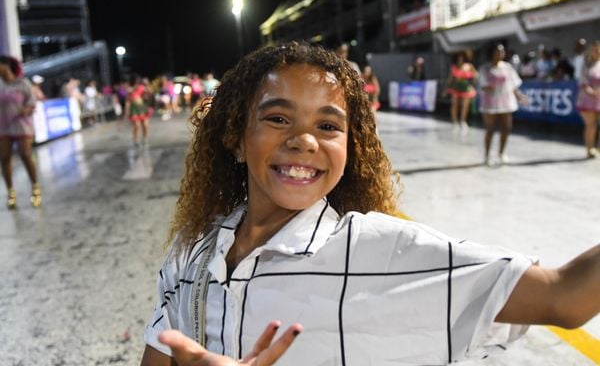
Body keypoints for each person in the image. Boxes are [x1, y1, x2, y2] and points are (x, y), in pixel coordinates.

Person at [140, 42, 599, 366]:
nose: (303, 141)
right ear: (235, 139)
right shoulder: (190, 255)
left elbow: (564, 296)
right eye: (278, 118)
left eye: (328, 126)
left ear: (350, 149)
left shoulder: (382, 252)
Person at [0, 55, 41, 208]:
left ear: (5, 65)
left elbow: (32, 101)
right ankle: (11, 192)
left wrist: (26, 109)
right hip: (3, 127)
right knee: (4, 159)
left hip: (21, 126)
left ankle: (35, 188)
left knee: (25, 155)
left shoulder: (22, 83)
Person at [478, 44, 526, 165]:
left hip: (506, 101)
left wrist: (519, 96)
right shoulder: (485, 68)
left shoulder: (508, 67)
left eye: (502, 51)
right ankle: (487, 154)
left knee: (506, 128)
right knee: (490, 129)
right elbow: (482, 86)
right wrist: (491, 88)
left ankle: (501, 153)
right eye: (497, 51)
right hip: (490, 102)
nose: (500, 54)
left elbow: (513, 85)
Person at [576, 41, 600, 158]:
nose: (597, 52)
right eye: (595, 49)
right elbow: (582, 82)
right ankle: (589, 148)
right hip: (588, 99)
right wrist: (592, 92)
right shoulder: (586, 65)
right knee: (591, 124)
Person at [445, 50, 478, 131]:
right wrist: (446, 88)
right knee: (454, 104)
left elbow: (476, 76)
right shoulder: (454, 67)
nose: (461, 59)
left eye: (462, 57)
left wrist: (472, 85)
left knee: (465, 105)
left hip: (466, 88)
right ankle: (455, 121)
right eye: (459, 58)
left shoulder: (469, 66)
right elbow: (450, 79)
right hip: (456, 87)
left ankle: (463, 121)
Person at [125, 79, 154, 146]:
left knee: (145, 125)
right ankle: (135, 140)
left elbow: (150, 93)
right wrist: (127, 111)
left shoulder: (143, 88)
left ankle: (145, 138)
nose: (136, 85)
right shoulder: (130, 91)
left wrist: (147, 86)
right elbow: (128, 102)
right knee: (137, 125)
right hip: (134, 110)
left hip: (143, 108)